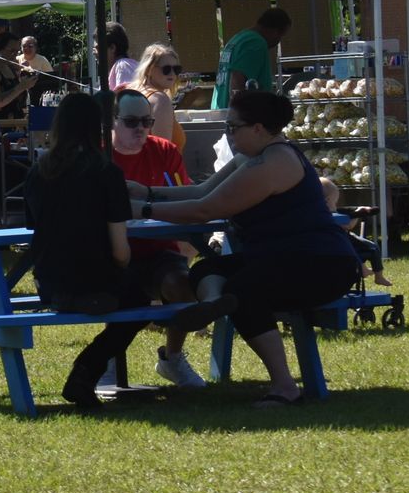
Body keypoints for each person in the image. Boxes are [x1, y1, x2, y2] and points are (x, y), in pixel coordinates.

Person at [136, 89, 360, 407]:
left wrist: (141, 209)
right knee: (206, 269)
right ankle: (215, 303)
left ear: (257, 128)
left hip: (322, 265)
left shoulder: (275, 162)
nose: (228, 133)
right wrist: (145, 192)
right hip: (281, 259)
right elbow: (201, 190)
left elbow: (205, 209)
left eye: (233, 126)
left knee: (245, 293)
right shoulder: (254, 156)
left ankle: (285, 388)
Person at [21, 93, 150, 409]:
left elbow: (31, 227)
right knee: (141, 301)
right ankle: (86, 369)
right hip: (97, 278)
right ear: (97, 127)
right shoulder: (107, 173)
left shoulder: (38, 171)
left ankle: (87, 372)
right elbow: (120, 251)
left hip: (49, 283)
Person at [110, 89, 205, 388]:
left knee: (182, 288)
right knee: (113, 293)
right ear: (112, 121)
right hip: (110, 251)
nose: (140, 128)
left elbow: (184, 197)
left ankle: (172, 358)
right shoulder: (99, 156)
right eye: (130, 121)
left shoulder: (165, 151)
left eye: (146, 121)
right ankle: (108, 360)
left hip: (160, 250)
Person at [320, 176, 392, 288]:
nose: (335, 205)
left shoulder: (315, 213)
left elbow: (341, 213)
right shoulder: (329, 216)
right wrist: (358, 214)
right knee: (372, 248)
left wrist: (356, 211)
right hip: (340, 243)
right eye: (335, 202)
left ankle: (365, 269)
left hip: (329, 245)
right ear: (327, 201)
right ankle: (378, 276)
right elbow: (348, 226)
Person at [211, 7, 291, 108]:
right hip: (238, 116)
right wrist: (238, 116)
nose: (278, 42)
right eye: (281, 36)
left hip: (223, 110)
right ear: (275, 31)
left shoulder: (239, 38)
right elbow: (237, 79)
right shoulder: (255, 43)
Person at [128, 43, 187, 152]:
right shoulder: (160, 100)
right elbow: (163, 154)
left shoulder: (130, 91)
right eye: (166, 69)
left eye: (176, 69)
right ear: (149, 69)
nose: (172, 74)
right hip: (162, 168)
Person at [0, 30, 37, 125]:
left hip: (16, 125)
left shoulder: (11, 67)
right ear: (0, 49)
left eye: (17, 52)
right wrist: (21, 87)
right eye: (11, 51)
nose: (15, 55)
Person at [105, 23, 138, 93]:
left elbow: (126, 101)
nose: (94, 52)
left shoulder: (123, 66)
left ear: (112, 48)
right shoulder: (121, 66)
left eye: (97, 48)